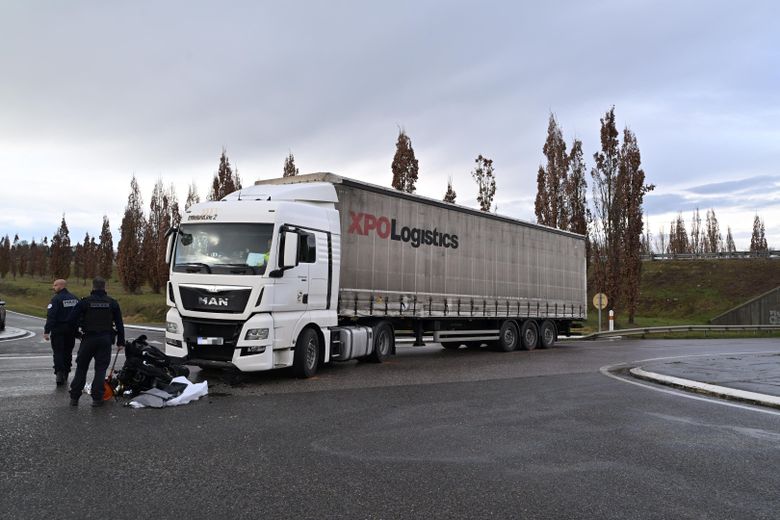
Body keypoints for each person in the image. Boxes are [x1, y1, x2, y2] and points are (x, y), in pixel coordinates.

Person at [67, 277, 125, 407]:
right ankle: (97, 398)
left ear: (92, 287)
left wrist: (77, 334)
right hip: (105, 339)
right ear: (105, 287)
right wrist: (121, 341)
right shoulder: (112, 303)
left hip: (88, 339)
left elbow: (71, 320)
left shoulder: (84, 302)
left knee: (81, 368)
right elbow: (119, 324)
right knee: (100, 369)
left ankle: (74, 397)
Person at [43, 279, 79, 385]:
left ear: (61, 286)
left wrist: (46, 331)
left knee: (58, 352)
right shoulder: (75, 298)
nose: (53, 287)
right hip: (71, 330)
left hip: (58, 330)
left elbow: (51, 316)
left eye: (55, 285)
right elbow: (79, 315)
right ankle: (66, 372)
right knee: (68, 352)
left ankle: (59, 373)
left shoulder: (56, 299)